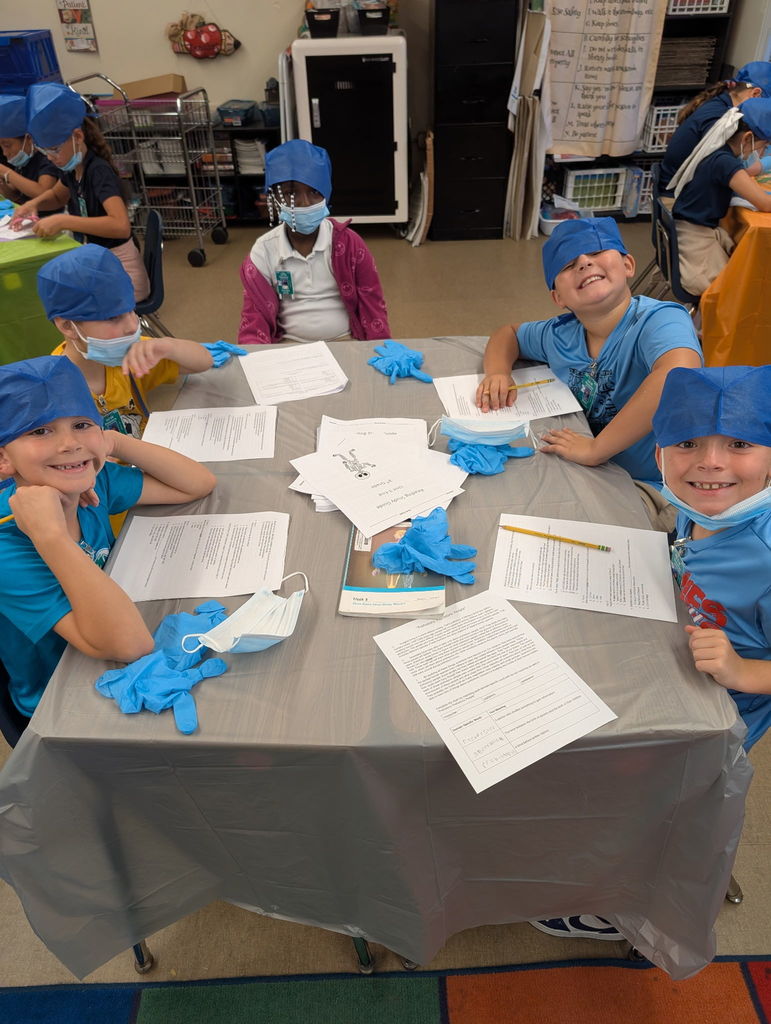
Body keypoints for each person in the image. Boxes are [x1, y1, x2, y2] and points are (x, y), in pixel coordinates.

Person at [0, 355, 216, 718]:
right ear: (4, 459)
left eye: (82, 424)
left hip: (113, 631)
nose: (70, 443)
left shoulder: (88, 482)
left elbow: (197, 483)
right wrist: (52, 538)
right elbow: (130, 645)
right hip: (61, 699)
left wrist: (112, 443)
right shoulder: (7, 548)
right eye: (40, 431)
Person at [477, 217, 702, 528]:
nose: (584, 262)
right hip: (591, 470)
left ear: (628, 265)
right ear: (558, 297)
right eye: (568, 265)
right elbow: (509, 334)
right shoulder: (559, 335)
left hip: (656, 485)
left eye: (596, 252)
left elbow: (679, 374)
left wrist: (596, 449)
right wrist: (498, 373)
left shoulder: (659, 320)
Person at [653, 364, 771, 752]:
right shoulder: (697, 506)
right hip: (677, 656)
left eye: (740, 443)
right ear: (659, 456)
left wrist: (741, 670)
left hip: (726, 708)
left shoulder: (765, 560)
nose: (711, 462)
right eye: (687, 443)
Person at [38, 244, 217, 438]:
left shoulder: (128, 355)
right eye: (113, 318)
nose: (132, 325)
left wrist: (168, 346)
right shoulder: (53, 390)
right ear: (68, 326)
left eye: (131, 310)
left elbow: (204, 361)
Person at [238, 139, 390, 344]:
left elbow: (372, 304)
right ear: (274, 197)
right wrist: (254, 357)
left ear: (327, 193)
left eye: (315, 191)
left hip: (345, 340)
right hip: (288, 345)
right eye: (291, 193)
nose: (305, 203)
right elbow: (254, 317)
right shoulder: (264, 251)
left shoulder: (349, 244)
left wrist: (380, 347)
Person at [11, 82, 150, 302]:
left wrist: (64, 221)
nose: (51, 158)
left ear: (77, 136)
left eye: (54, 149)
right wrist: (32, 204)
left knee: (66, 303)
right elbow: (57, 196)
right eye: (45, 152)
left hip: (123, 276)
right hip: (101, 263)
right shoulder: (72, 168)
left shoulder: (98, 171)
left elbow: (120, 226)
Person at [669, 97, 771, 296]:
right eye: (763, 146)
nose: (762, 153)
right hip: (695, 236)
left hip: (687, 227)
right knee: (736, 292)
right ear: (747, 138)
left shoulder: (719, 149)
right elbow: (765, 203)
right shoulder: (726, 163)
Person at [660, 61, 771, 192]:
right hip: (678, 195)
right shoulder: (722, 121)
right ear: (755, 94)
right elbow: (728, 171)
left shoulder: (720, 102)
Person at [0, 94, 59, 205]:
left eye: (7, 145)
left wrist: (6, 172)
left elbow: (43, 192)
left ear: (28, 139)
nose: (5, 153)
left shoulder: (47, 159)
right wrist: (3, 185)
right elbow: (15, 195)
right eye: (1, 147)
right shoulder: (23, 162)